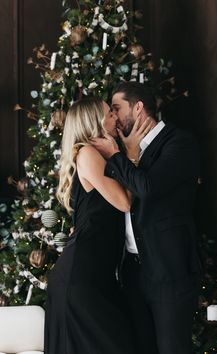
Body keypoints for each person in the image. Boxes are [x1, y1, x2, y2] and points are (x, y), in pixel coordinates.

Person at [91, 82, 202, 354]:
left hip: (169, 270)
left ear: (138, 107)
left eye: (117, 109)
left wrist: (119, 156)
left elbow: (148, 188)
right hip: (133, 272)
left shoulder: (179, 142)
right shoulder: (125, 150)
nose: (114, 117)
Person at [44, 96, 151, 354]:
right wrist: (133, 154)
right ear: (95, 122)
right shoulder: (88, 153)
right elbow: (124, 202)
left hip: (94, 277)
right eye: (108, 114)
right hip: (81, 279)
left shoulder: (96, 156)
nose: (115, 117)